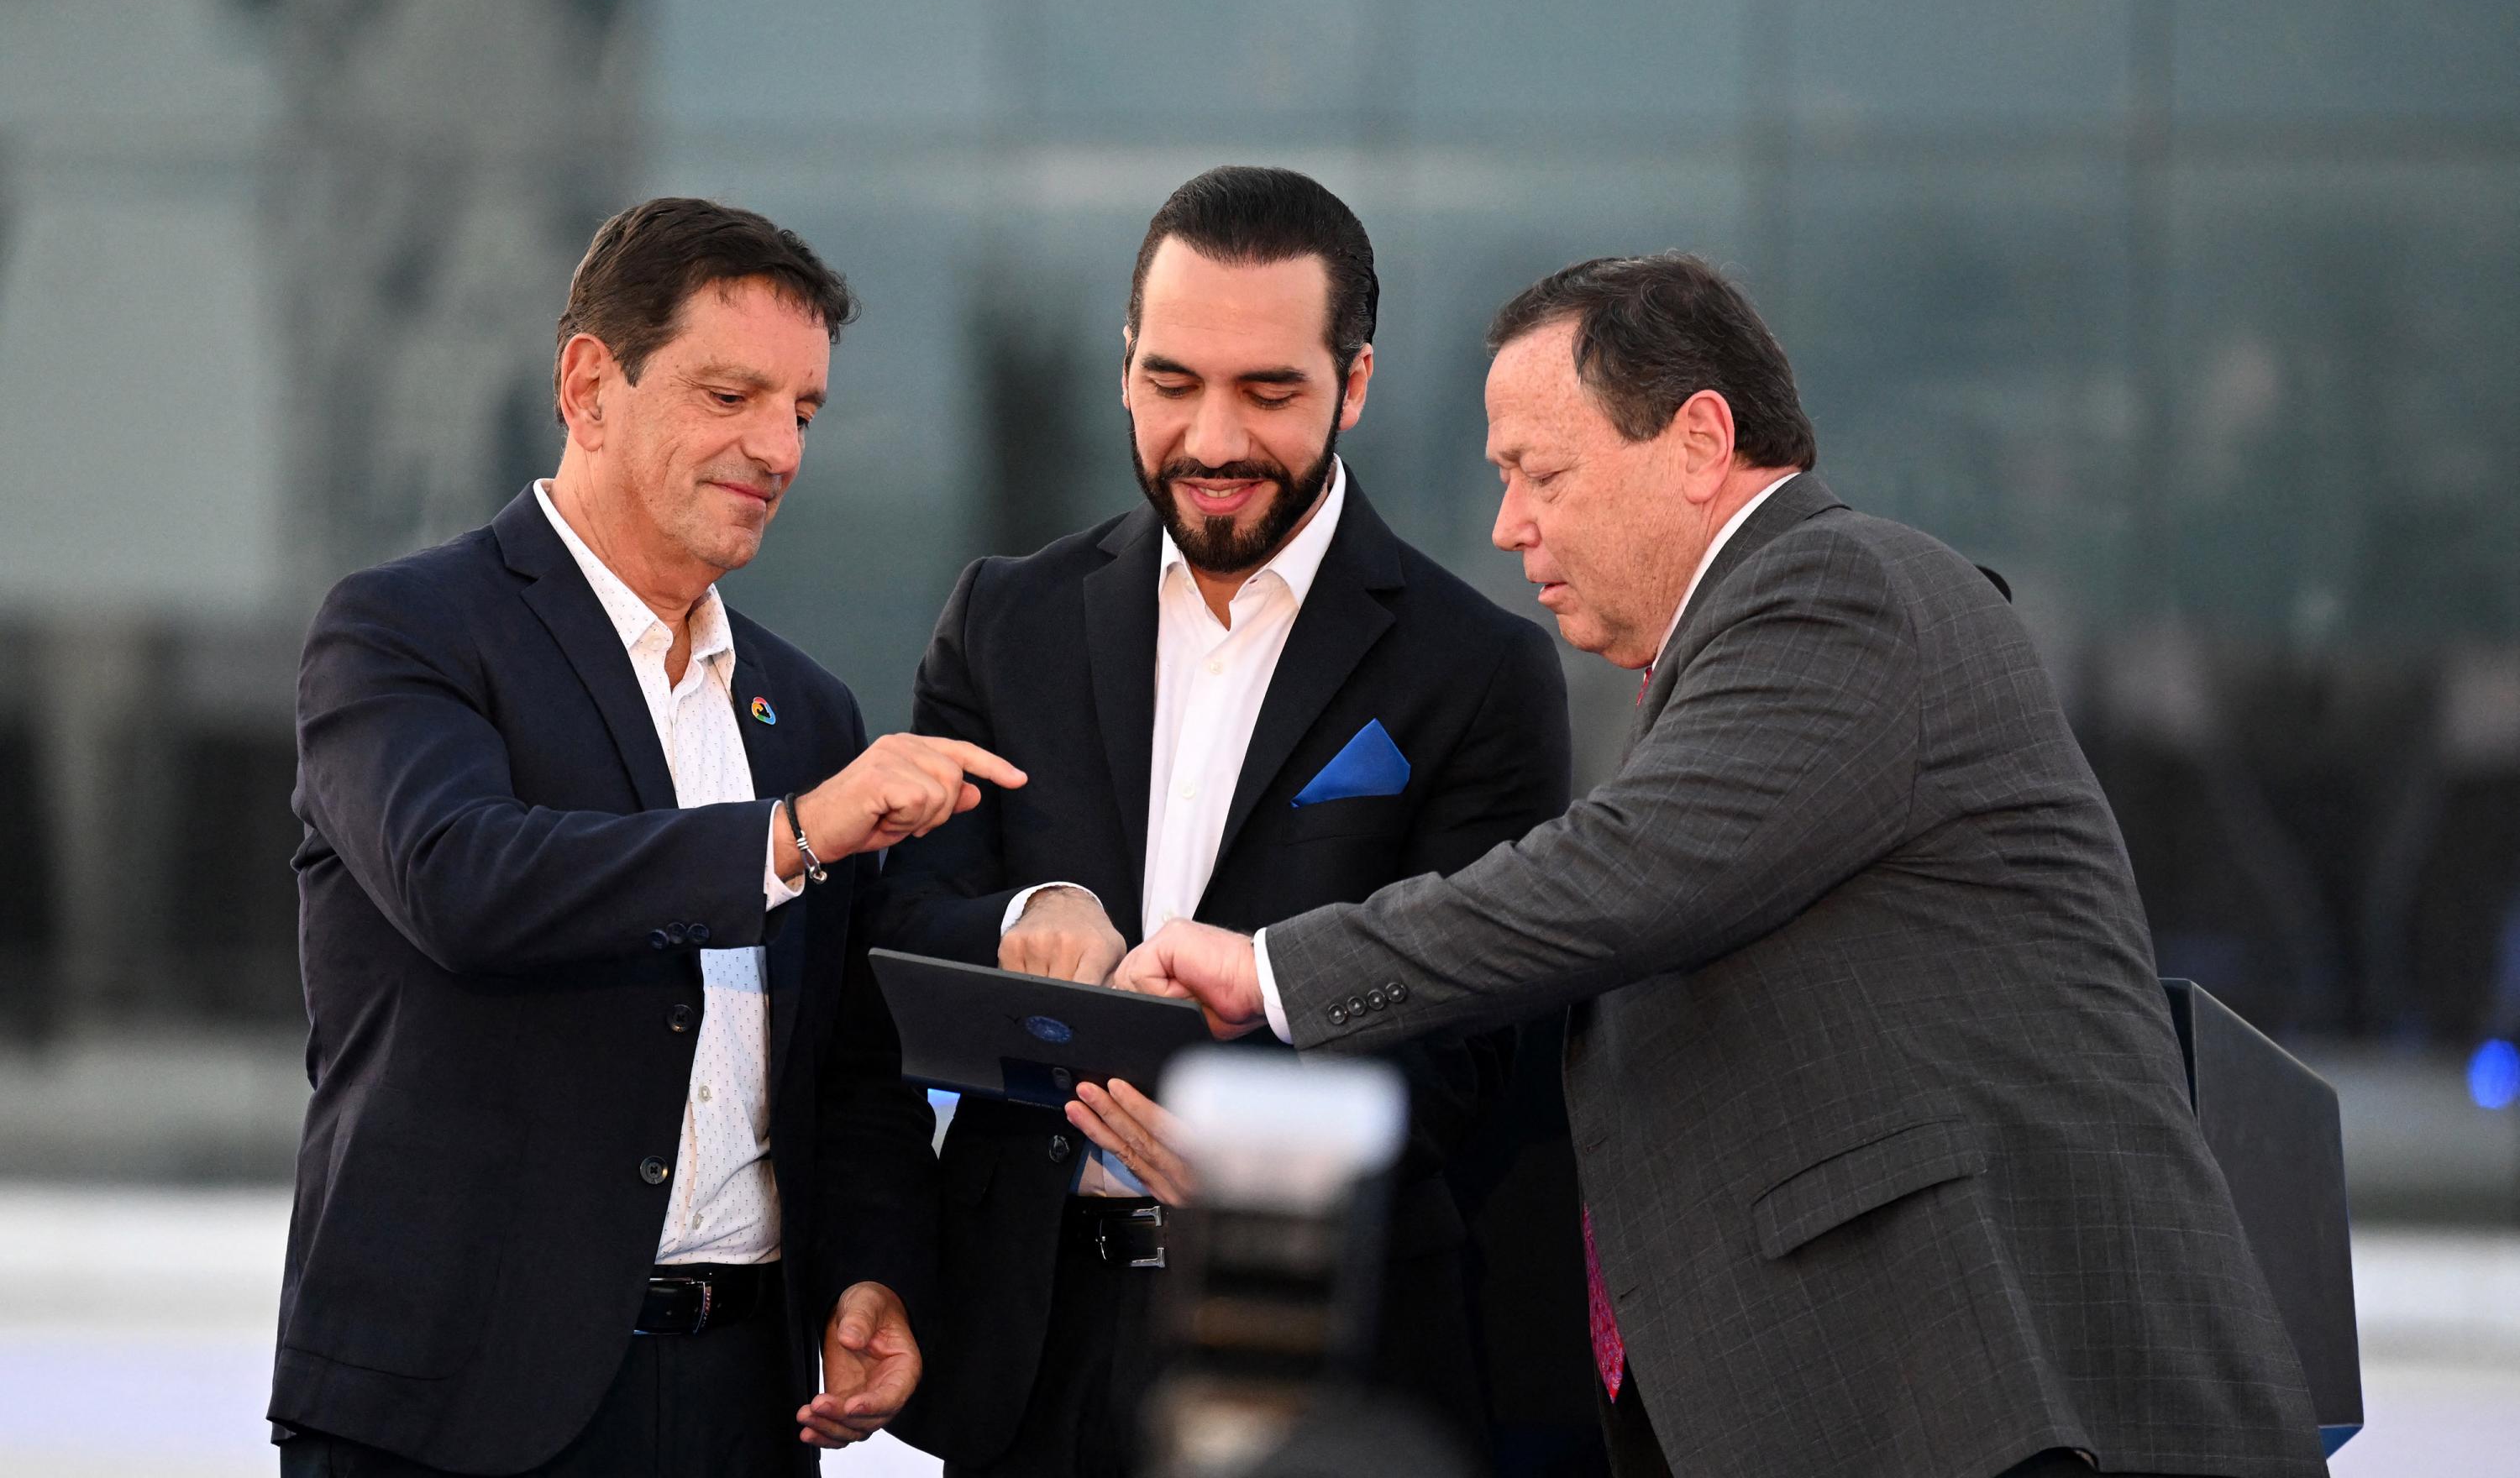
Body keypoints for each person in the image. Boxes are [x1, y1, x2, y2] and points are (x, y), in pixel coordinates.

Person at [1118, 253, 2331, 1478]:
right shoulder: (1739, 658)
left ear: (1700, 440)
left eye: (1540, 472)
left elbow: (1618, 879)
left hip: (2004, 1411)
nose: (1509, 524)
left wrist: (1275, 967)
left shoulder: (1837, 590)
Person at [270, 197, 1021, 1475]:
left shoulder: (807, 712)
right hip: (452, 1409)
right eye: (730, 395)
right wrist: (786, 841)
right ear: (587, 386)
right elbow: (464, 882)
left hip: (743, 1403)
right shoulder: (404, 632)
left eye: (804, 410)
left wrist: (873, 1273)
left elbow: (847, 1065)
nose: (776, 446)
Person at [877, 166, 1572, 1477]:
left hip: (1316, 1354)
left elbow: (1480, 1030)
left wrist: (1267, 1147)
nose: (1210, 439)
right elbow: (905, 924)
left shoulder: (1477, 671)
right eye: (1172, 382)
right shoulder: (1001, 619)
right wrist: (1031, 918)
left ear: (1353, 385)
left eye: (1268, 392)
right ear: (1125, 364)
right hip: (1029, 1349)